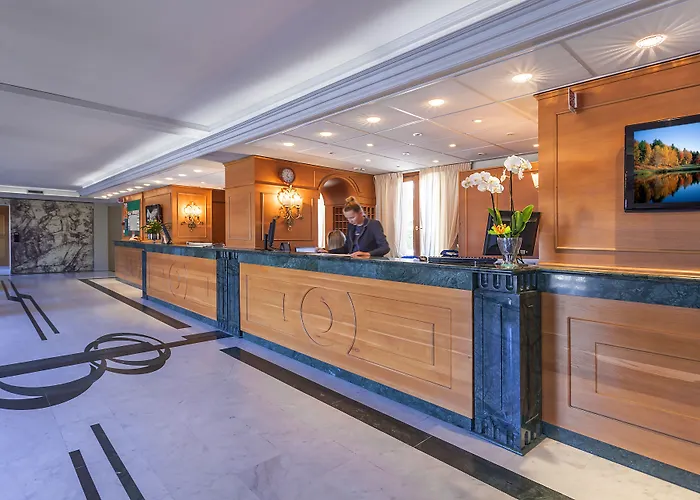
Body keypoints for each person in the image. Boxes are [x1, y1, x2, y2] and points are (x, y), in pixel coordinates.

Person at [319, 196, 390, 258]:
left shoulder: (373, 225)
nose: (350, 221)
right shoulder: (351, 227)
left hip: (370, 263)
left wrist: (367, 254)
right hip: (354, 263)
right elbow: (347, 248)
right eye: (347, 218)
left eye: (352, 217)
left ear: (360, 213)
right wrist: (329, 252)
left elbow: (385, 248)